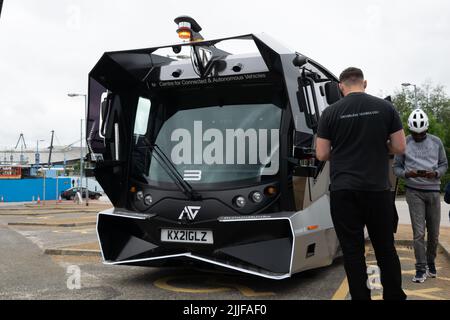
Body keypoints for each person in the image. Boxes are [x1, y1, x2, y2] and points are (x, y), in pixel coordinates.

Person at [316, 67, 407, 300]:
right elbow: (399, 147)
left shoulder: (330, 113)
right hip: (377, 190)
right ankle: (395, 296)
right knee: (385, 248)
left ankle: (360, 297)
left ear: (341, 86)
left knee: (352, 251)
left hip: (343, 191)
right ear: (364, 83)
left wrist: (344, 150)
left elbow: (321, 154)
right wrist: (379, 146)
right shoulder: (386, 108)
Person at [393, 109, 448, 283]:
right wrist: (408, 174)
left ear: (426, 129)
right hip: (414, 191)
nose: (418, 137)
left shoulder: (436, 142)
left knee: (434, 233)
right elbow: (396, 168)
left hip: (433, 191)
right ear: (410, 130)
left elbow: (444, 164)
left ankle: (431, 262)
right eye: (415, 134)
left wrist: (437, 173)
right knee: (418, 233)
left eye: (422, 134)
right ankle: (420, 268)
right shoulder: (404, 143)